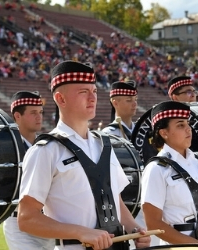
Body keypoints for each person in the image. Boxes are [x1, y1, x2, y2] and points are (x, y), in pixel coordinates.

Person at [17, 61, 151, 250]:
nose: (93, 98)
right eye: (83, 92)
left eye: (94, 91)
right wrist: (80, 232)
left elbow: (115, 200)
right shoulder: (45, 151)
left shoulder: (104, 144)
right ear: (61, 99)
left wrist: (134, 228)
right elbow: (26, 219)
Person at [139, 101, 198, 247]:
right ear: (164, 133)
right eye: (180, 125)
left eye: (188, 124)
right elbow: (153, 224)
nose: (188, 129)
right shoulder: (156, 169)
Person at [2, 91, 53, 249]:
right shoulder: (6, 148)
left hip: (50, 221)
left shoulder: (49, 146)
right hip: (18, 222)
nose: (39, 117)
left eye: (40, 112)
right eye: (33, 113)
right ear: (17, 116)